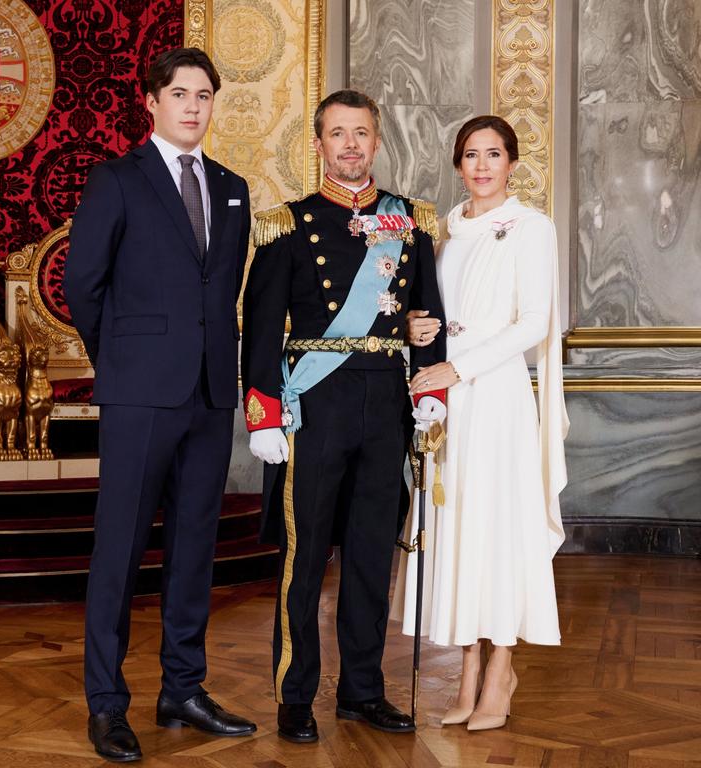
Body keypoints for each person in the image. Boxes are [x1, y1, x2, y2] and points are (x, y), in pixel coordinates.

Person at [64, 47, 255, 762]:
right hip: (139, 393)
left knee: (193, 550)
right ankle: (107, 704)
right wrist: (119, 361)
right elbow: (82, 285)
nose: (194, 106)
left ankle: (183, 687)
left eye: (205, 94)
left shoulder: (233, 189)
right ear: (152, 101)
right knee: (119, 551)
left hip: (209, 394)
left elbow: (225, 289)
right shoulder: (116, 180)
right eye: (181, 93)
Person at [240, 89, 448, 743]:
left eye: (361, 133)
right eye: (338, 134)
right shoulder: (288, 224)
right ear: (319, 145)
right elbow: (262, 326)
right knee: (304, 560)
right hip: (316, 407)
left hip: (385, 402)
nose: (351, 145)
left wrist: (429, 390)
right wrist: (263, 413)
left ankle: (362, 691)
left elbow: (425, 313)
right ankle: (295, 693)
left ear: (377, 142)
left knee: (368, 556)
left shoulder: (409, 223)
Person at [395, 114, 569, 732]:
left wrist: (457, 368)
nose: (482, 166)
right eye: (471, 155)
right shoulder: (443, 235)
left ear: (513, 163)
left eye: (494, 154)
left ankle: (501, 668)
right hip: (449, 399)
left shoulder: (531, 228)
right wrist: (417, 332)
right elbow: (435, 315)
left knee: (496, 529)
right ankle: (467, 667)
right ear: (458, 164)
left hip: (493, 396)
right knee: (456, 528)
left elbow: (533, 322)